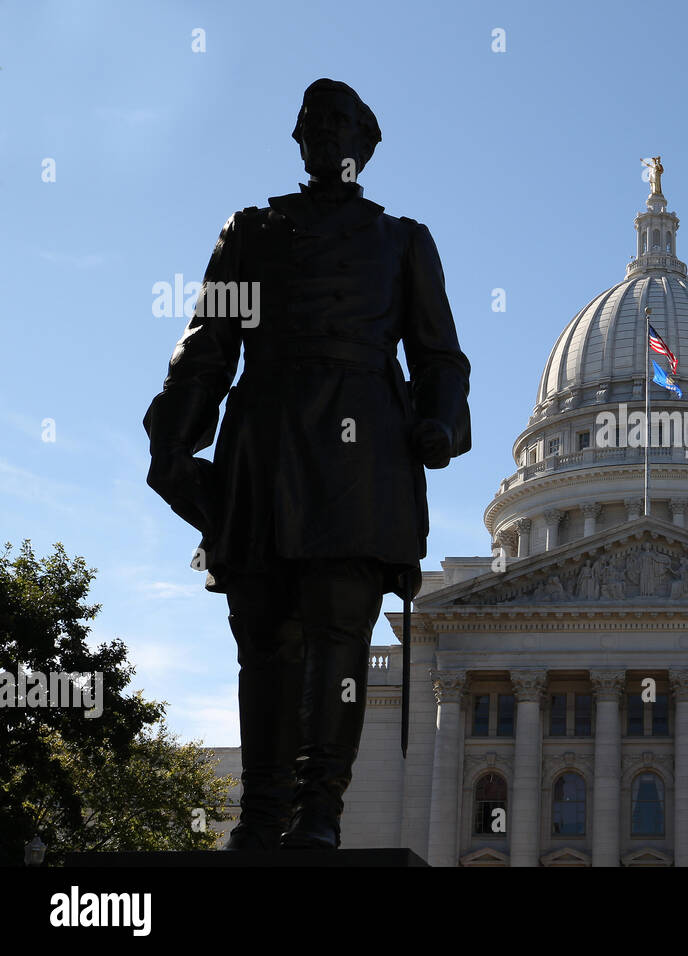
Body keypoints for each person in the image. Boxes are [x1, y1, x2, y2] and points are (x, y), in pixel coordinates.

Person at [143, 79, 471, 850]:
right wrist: (173, 437)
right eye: (313, 125)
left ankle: (320, 810)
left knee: (338, 635)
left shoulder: (403, 241)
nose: (326, 137)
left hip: (363, 452)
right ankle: (263, 813)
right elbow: (207, 347)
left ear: (365, 144)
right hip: (268, 437)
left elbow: (439, 357)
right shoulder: (251, 232)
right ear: (297, 139)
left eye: (340, 125)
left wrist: (438, 423)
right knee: (262, 637)